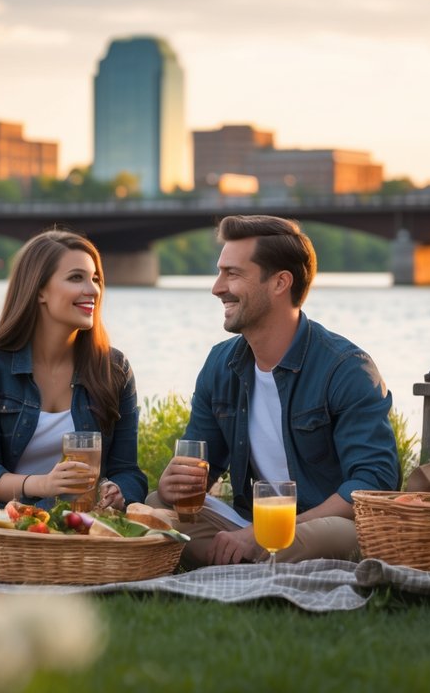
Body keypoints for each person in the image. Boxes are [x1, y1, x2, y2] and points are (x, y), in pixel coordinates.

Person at [150, 215, 399, 567]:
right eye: (220, 272)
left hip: (321, 525)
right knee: (155, 508)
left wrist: (269, 530)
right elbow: (196, 475)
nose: (217, 287)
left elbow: (372, 484)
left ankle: (238, 558)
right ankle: (246, 558)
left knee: (314, 537)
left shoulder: (346, 368)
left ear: (281, 282)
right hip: (250, 523)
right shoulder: (221, 365)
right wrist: (172, 485)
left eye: (232, 274)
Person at [0, 229, 147, 516]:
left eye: (95, 278)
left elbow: (128, 471)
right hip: (6, 516)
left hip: (76, 516)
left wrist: (119, 493)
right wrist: (44, 485)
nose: (93, 289)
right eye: (76, 277)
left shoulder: (114, 369)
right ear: (39, 291)